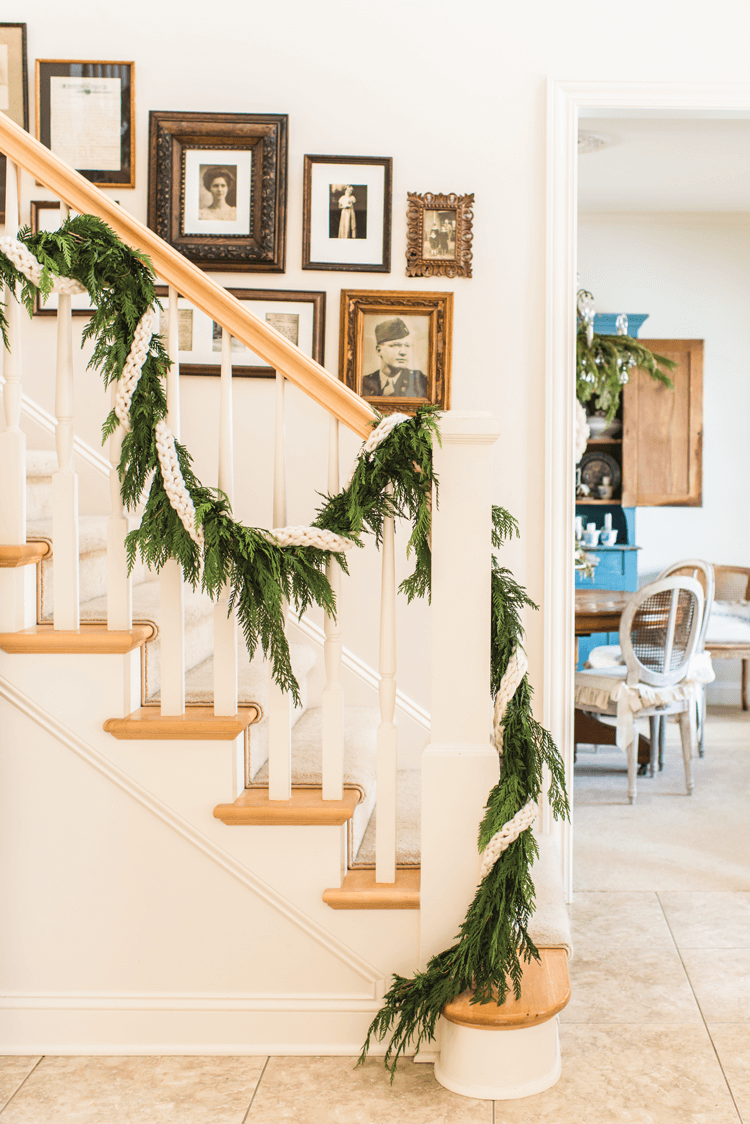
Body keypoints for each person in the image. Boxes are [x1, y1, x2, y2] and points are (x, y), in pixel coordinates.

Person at [362, 318, 428, 398]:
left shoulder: (421, 382)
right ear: (379, 350)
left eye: (407, 345)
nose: (403, 352)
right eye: (396, 345)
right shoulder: (364, 383)